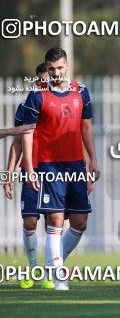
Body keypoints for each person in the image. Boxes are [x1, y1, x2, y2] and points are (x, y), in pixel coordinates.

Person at [22, 47, 100, 290]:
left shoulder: (81, 91)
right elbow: (26, 133)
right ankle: (58, 277)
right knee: (55, 220)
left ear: (67, 66)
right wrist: (31, 169)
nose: (56, 73)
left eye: (60, 68)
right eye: (52, 69)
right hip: (49, 166)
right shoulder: (37, 96)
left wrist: (93, 160)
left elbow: (85, 128)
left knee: (80, 223)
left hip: (76, 165)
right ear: (48, 68)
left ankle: (50, 266)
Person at [3, 62, 53, 289]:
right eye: (41, 80)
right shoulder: (25, 106)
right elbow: (17, 142)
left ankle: (51, 271)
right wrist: (9, 173)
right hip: (30, 169)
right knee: (30, 220)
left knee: (54, 220)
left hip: (56, 170)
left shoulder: (61, 104)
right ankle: (33, 268)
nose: (45, 84)